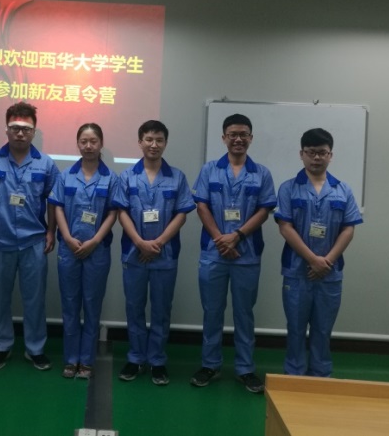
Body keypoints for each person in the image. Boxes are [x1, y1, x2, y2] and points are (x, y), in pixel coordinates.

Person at [190, 114, 276, 393]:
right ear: (224, 137)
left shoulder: (262, 173)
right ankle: (209, 364)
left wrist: (237, 236)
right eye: (233, 134)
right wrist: (220, 238)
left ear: (251, 138)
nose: (238, 139)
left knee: (244, 313)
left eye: (243, 134)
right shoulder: (209, 170)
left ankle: (245, 368)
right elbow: (201, 206)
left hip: (246, 254)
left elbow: (264, 210)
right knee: (212, 311)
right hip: (214, 252)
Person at [0, 101, 59, 371]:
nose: (20, 133)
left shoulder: (46, 164)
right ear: (6, 129)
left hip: (34, 242)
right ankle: (1, 346)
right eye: (15, 128)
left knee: (35, 299)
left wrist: (51, 231)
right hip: (0, 241)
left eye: (26, 129)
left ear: (34, 131)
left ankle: (35, 348)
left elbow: (54, 201)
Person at [112, 120, 195, 386]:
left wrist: (157, 243)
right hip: (134, 254)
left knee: (161, 310)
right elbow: (121, 212)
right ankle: (136, 357)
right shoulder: (127, 176)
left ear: (165, 143)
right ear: (140, 142)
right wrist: (140, 242)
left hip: (164, 254)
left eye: (159, 140)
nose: (154, 144)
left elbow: (182, 214)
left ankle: (157, 360)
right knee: (134, 307)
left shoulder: (177, 177)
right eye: (148, 139)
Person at [274, 128, 363, 377]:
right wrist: (313, 260)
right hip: (296, 271)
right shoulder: (288, 188)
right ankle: (294, 375)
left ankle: (321, 376)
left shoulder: (343, 190)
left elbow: (348, 229)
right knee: (295, 328)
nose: (316, 157)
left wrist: (327, 261)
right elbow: (285, 227)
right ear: (301, 154)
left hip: (329, 272)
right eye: (311, 152)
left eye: (322, 152)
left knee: (323, 329)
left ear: (330, 155)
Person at [49, 123, 118, 380]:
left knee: (91, 305)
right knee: (69, 306)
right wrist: (67, 237)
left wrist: (95, 241)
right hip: (69, 249)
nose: (88, 146)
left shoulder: (111, 178)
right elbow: (57, 207)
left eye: (93, 141)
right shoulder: (65, 175)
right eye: (84, 141)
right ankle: (70, 359)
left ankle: (86, 361)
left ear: (101, 144)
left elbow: (113, 213)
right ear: (78, 144)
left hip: (97, 250)